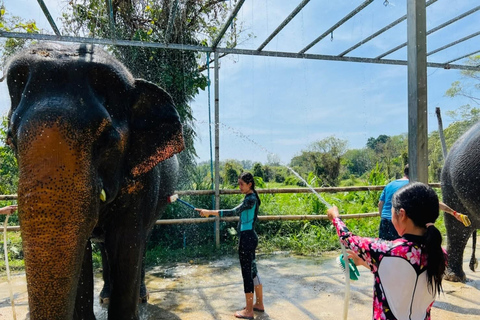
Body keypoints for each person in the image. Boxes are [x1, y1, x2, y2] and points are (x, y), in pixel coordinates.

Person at [328, 182, 447, 320]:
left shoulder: (385, 250)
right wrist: (364, 262)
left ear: (401, 214)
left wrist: (335, 218)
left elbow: (347, 239)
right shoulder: (440, 254)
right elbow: (405, 276)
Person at [196, 172, 264, 320]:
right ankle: (259, 304)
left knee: (247, 273)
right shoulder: (252, 197)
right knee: (253, 271)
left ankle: (249, 311)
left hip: (247, 239)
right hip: (250, 237)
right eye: (238, 183)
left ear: (249, 184)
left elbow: (233, 211)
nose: (239, 187)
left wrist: (209, 212)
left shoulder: (250, 199)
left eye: (241, 184)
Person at [378, 164, 409, 240]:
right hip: (400, 221)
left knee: (384, 248)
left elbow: (380, 204)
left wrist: (383, 217)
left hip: (385, 220)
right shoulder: (412, 185)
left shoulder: (389, 185)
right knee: (400, 249)